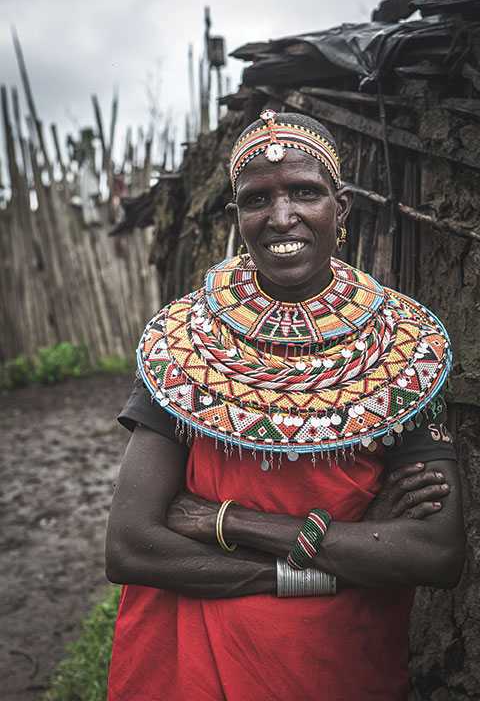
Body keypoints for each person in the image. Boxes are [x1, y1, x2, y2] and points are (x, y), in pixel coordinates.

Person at [105, 110, 465, 701]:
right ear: (236, 218)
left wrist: (232, 521)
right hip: (191, 667)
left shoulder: (402, 350)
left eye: (305, 192)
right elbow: (132, 543)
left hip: (339, 665)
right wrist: (333, 560)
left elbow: (435, 552)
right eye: (257, 199)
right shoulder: (185, 345)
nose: (281, 217)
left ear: (341, 208)